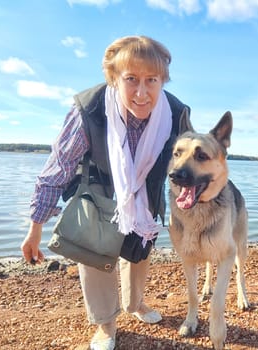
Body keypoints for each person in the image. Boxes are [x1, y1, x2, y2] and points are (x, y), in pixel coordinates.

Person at [20, 35, 190, 350]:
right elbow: (58, 168)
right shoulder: (89, 109)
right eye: (131, 80)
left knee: (138, 253)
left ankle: (135, 303)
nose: (142, 92)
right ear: (114, 78)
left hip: (144, 196)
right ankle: (106, 325)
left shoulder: (176, 113)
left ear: (162, 81)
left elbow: (188, 164)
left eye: (151, 80)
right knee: (95, 255)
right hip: (97, 194)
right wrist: (35, 229)